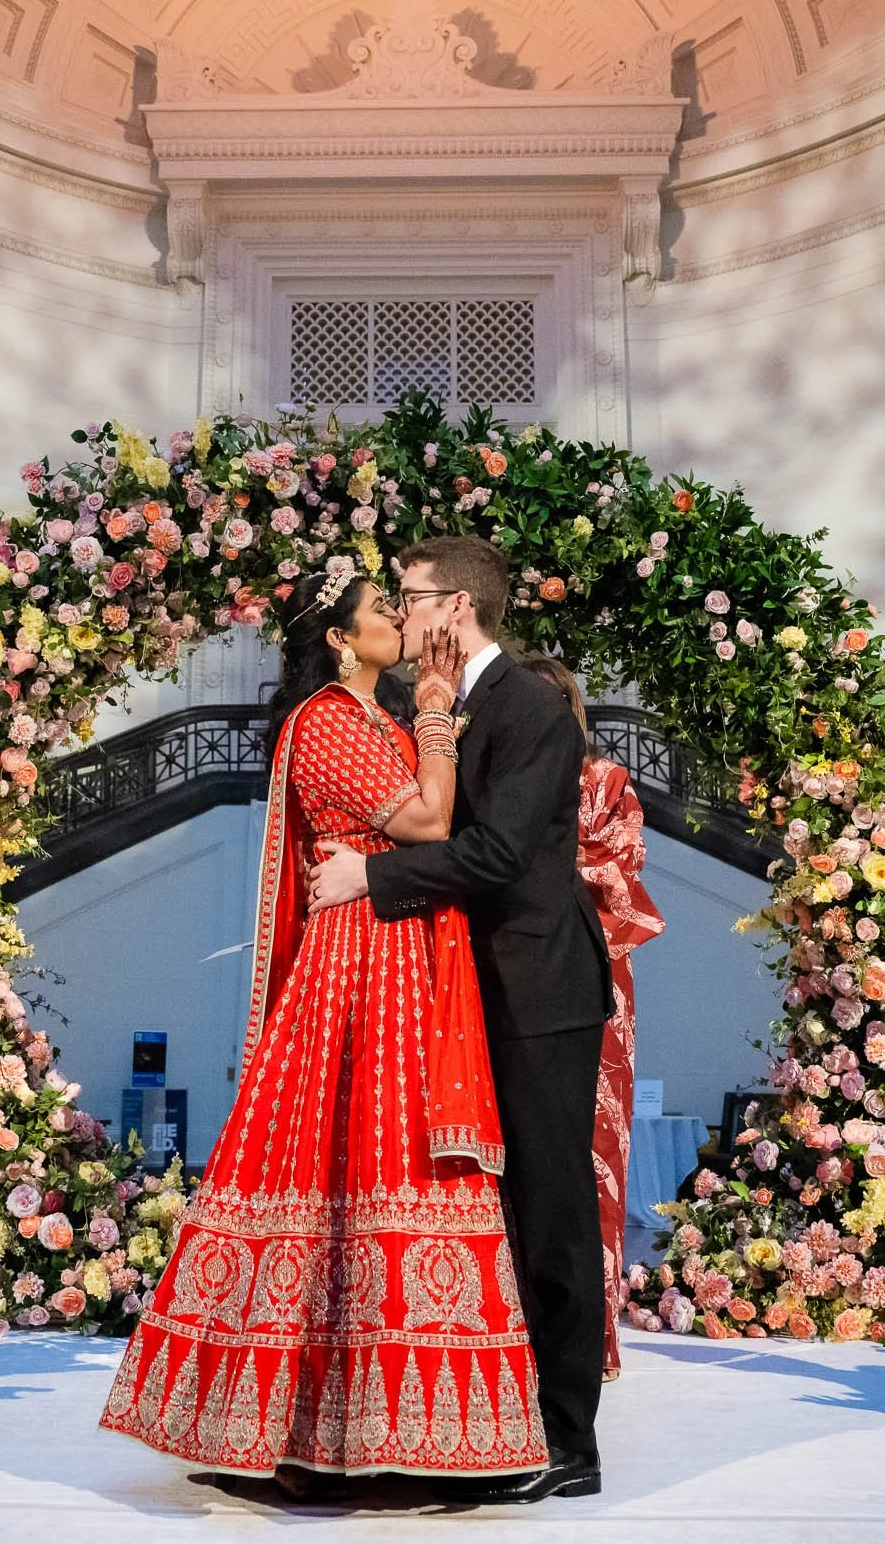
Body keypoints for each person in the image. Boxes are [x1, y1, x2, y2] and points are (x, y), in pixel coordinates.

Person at [99, 565, 549, 1491]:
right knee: (347, 1164)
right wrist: (435, 711)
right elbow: (429, 820)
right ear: (341, 640)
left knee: (392, 1166)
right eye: (383, 612)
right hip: (359, 963)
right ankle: (296, 1433)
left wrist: (423, 718)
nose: (399, 618)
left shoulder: (377, 720)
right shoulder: (326, 722)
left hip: (403, 949)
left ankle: (387, 1434)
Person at [308, 536, 612, 1504]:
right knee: (484, 1211)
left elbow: (492, 852)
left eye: (411, 596)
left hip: (534, 991)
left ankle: (569, 1442)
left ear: (458, 606)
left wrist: (372, 873)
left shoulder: (531, 708)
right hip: (458, 990)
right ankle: (492, 1423)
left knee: (549, 1213)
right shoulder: (424, 703)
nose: (400, 613)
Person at [513, 655, 663, 1382]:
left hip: (593, 974)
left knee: (590, 1154)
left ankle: (585, 1339)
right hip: (511, 975)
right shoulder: (494, 778)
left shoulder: (605, 781)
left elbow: (619, 866)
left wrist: (524, 853)